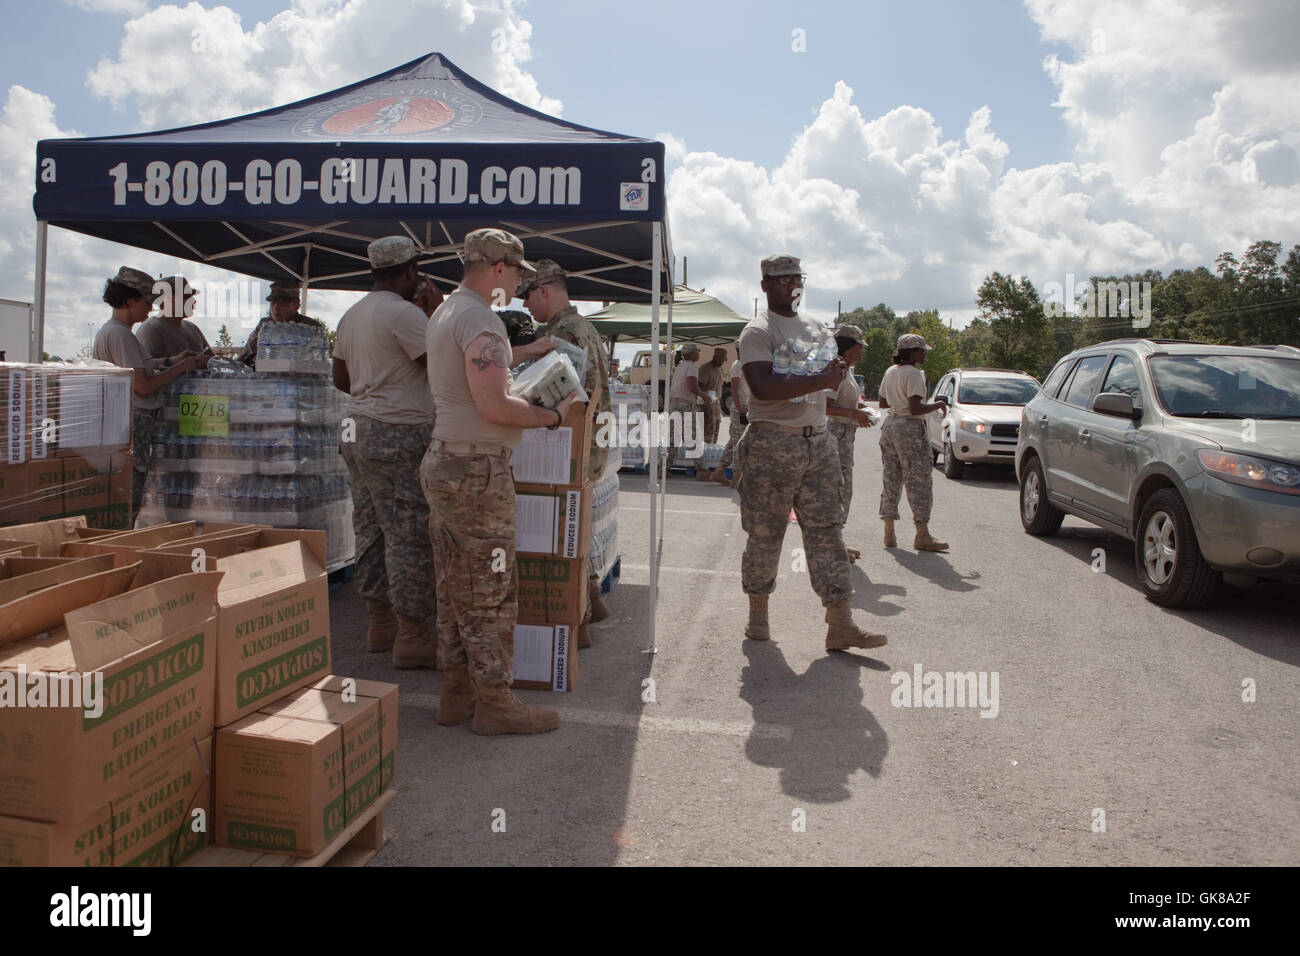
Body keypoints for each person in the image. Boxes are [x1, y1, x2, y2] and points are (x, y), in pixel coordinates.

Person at [421, 227, 576, 736]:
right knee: (489, 587)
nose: (516, 288)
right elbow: (492, 406)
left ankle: (457, 691)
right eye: (515, 276)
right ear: (499, 269)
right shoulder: (478, 318)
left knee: (453, 585)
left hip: (450, 460)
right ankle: (494, 701)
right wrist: (552, 418)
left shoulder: (449, 310)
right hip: (476, 471)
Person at [736, 254, 885, 652]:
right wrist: (820, 376)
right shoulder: (758, 331)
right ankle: (758, 616)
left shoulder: (819, 327)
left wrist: (830, 380)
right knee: (766, 533)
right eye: (781, 280)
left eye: (795, 278)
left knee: (827, 531)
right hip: (772, 442)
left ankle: (841, 623)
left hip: (819, 441)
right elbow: (763, 386)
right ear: (765, 285)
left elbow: (833, 378)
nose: (790, 285)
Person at [332, 236, 444, 668]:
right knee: (408, 534)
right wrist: (435, 312)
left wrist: (373, 385)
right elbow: (444, 366)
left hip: (357, 427)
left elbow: (340, 377)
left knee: (371, 528)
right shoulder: (403, 315)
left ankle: (381, 624)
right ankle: (413, 636)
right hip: (398, 432)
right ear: (411, 272)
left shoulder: (352, 314)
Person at [518, 259, 611, 648]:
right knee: (576, 527)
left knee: (564, 537)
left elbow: (562, 397)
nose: (525, 306)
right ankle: (590, 600)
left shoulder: (564, 334)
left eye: (527, 296)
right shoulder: (580, 327)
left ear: (544, 290)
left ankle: (580, 623)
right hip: (587, 442)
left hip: (570, 447)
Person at [93, 267, 199, 526]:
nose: (150, 309)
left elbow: (143, 364)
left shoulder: (118, 332)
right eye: (146, 302)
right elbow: (142, 385)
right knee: (132, 494)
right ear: (130, 301)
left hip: (129, 424)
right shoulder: (120, 334)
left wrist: (171, 360)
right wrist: (180, 368)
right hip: (134, 423)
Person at [877, 333, 950, 551]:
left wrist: (897, 400)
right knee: (919, 480)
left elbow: (882, 402)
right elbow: (915, 408)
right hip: (909, 428)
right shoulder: (914, 374)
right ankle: (922, 534)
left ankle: (889, 532)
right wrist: (938, 404)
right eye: (921, 350)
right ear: (912, 352)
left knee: (891, 477)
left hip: (890, 425)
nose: (924, 353)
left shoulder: (891, 371)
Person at [823, 325, 876, 562]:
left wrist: (861, 410)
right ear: (851, 346)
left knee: (843, 490)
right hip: (837, 434)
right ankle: (831, 546)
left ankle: (836, 542)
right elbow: (824, 406)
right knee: (839, 490)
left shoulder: (847, 369)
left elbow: (845, 400)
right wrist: (854, 414)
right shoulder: (837, 367)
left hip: (844, 434)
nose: (862, 350)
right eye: (860, 346)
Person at [237, 280, 328, 368]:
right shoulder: (265, 325)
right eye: (273, 303)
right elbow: (246, 355)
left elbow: (317, 362)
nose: (276, 308)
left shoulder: (311, 328)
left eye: (283, 304)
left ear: (296, 305)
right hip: (265, 378)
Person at [135, 275, 212, 368]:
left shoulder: (192, 328)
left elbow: (213, 360)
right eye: (186, 297)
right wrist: (175, 362)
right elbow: (140, 366)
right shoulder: (150, 329)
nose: (194, 301)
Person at [667, 343, 708, 471]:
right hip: (685, 404)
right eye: (697, 352)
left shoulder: (680, 366)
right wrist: (703, 395)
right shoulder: (692, 366)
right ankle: (701, 469)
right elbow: (692, 386)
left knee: (673, 437)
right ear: (692, 354)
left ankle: (664, 468)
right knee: (692, 436)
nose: (699, 354)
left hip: (673, 403)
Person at [710, 349, 748, 487]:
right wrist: (741, 411)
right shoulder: (738, 365)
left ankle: (720, 471)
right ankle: (736, 476)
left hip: (745, 407)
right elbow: (735, 390)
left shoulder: (744, 364)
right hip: (741, 408)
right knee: (739, 443)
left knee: (734, 442)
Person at [696, 347, 727, 449]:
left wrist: (720, 404)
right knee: (709, 428)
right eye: (720, 359)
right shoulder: (705, 368)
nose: (722, 362)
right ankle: (706, 448)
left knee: (716, 427)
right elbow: (700, 386)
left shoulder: (720, 369)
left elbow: (720, 387)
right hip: (706, 403)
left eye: (723, 359)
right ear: (714, 357)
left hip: (716, 402)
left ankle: (712, 448)